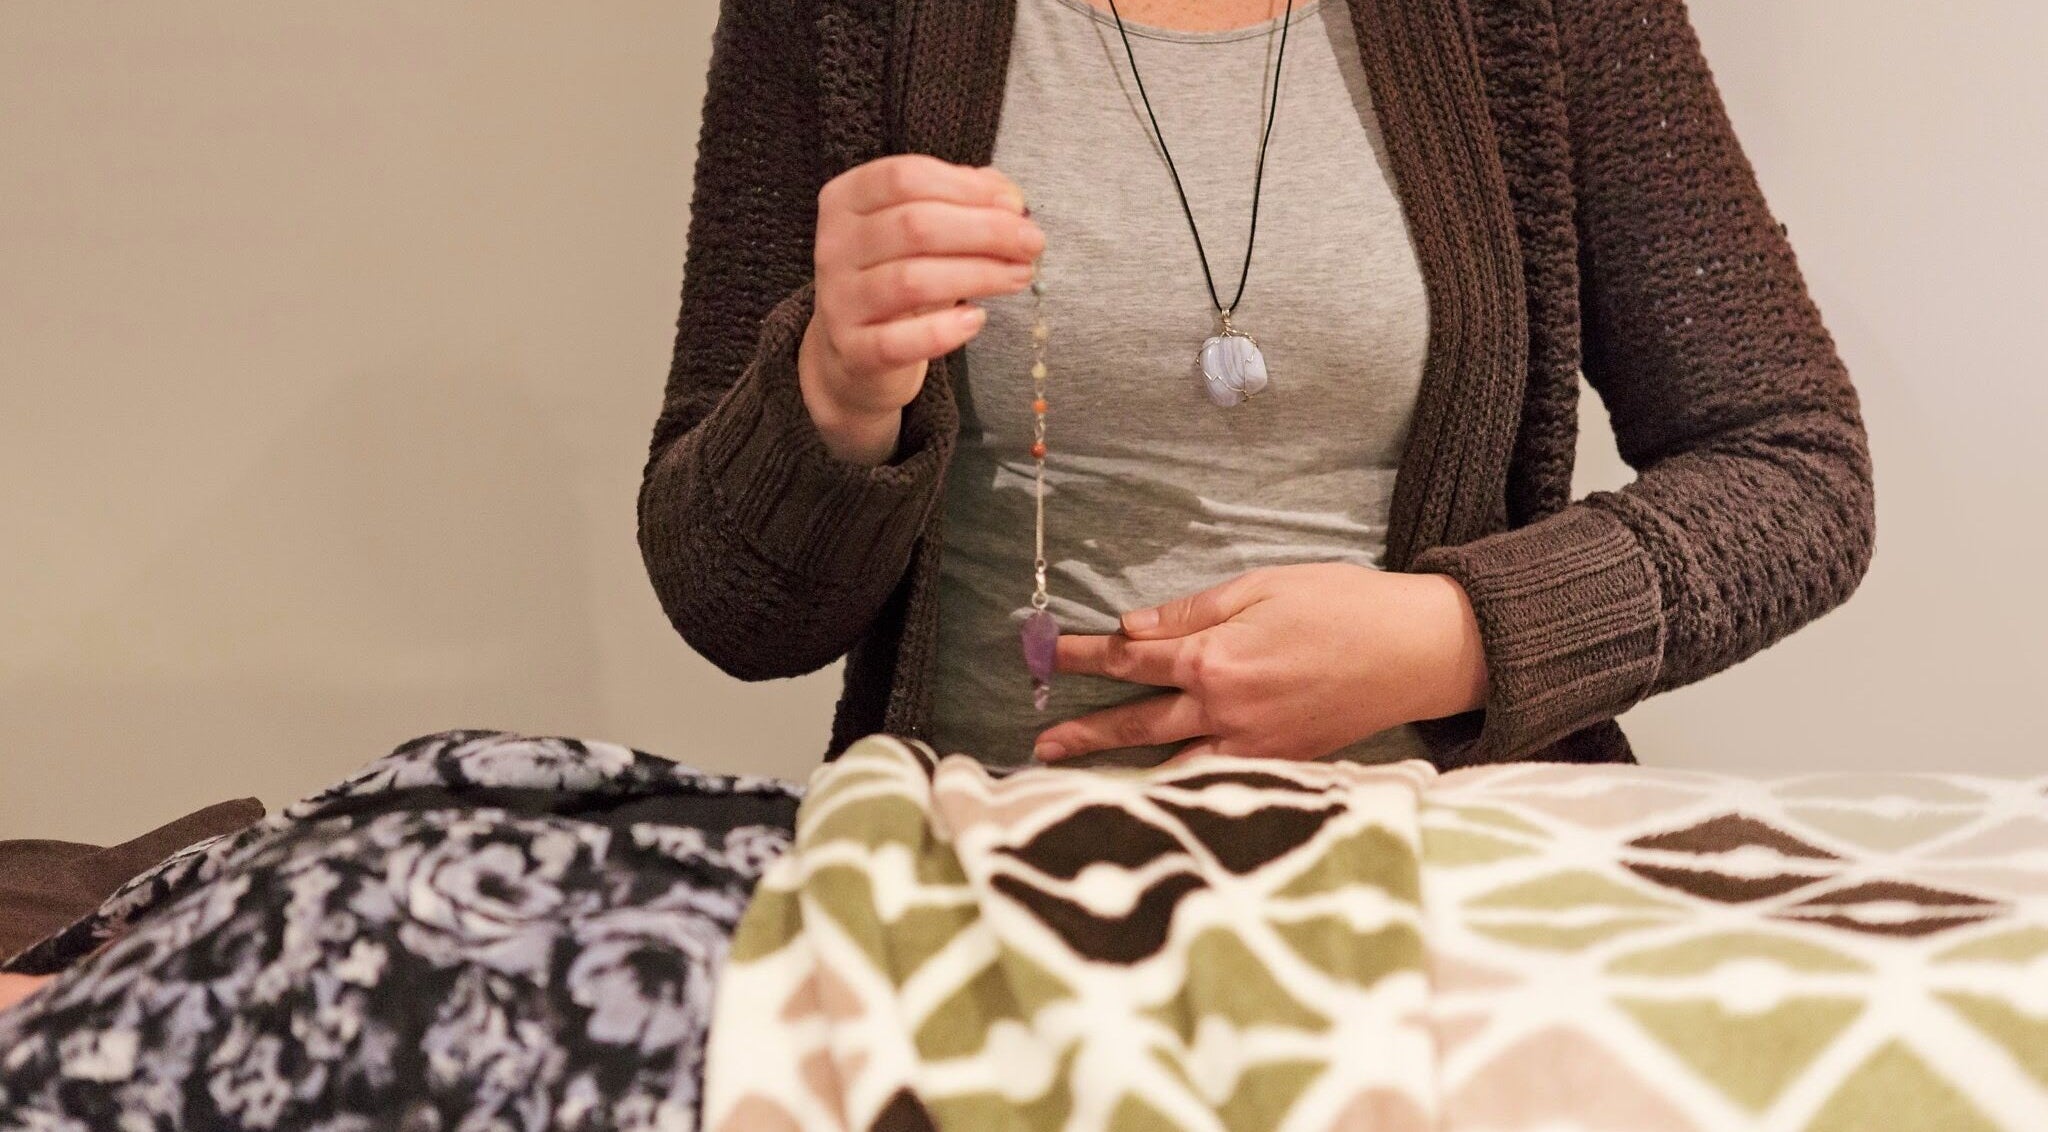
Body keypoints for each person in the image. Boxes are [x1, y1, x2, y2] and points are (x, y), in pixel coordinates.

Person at [635, 0, 1875, 772]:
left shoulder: (1536, 17)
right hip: (983, 885)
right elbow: (729, 608)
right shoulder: (849, 17)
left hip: (1452, 895)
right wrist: (835, 395)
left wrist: (1453, 641)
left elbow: (1794, 470)